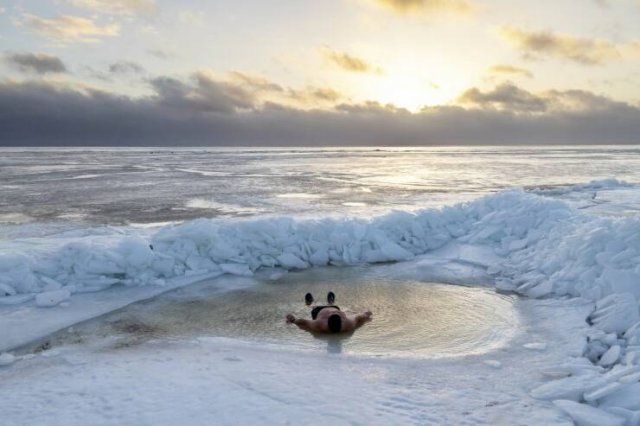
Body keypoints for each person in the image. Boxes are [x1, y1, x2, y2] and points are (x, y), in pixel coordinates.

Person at [285, 291, 372, 334]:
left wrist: (293, 319)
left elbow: (303, 322)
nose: (332, 312)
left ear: (327, 322)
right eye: (336, 314)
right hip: (335, 307)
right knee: (334, 307)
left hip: (318, 311)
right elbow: (358, 317)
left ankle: (310, 302)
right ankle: (330, 303)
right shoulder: (348, 324)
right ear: (341, 320)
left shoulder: (318, 324)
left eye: (332, 314)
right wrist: (366, 313)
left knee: (313, 307)